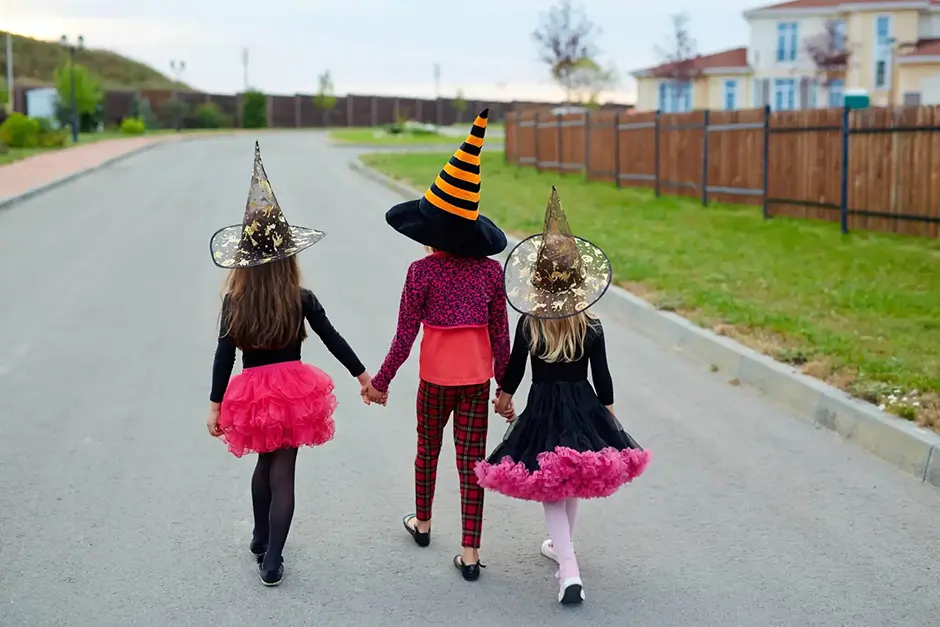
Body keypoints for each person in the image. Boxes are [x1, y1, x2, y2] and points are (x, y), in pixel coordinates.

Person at [474, 186, 652, 605]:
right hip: (583, 407)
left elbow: (516, 370)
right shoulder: (591, 325)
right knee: (569, 478)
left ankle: (568, 567)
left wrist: (504, 397)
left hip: (543, 410)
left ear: (537, 282)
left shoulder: (531, 324)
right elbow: (602, 377)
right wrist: (608, 417)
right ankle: (561, 547)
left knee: (551, 484)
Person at [207, 142, 373, 587]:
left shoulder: (235, 301)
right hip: (294, 388)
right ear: (288, 257)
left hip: (253, 390)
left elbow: (224, 354)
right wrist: (362, 376)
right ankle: (273, 560)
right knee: (284, 472)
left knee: (264, 463)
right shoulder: (301, 298)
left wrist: (215, 404)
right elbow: (332, 337)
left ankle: (260, 537)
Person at [362, 109, 511, 581]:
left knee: (427, 451)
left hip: (435, 382)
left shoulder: (420, 273)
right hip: (476, 383)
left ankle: (423, 524)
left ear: (430, 235)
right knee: (472, 464)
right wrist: (505, 387)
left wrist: (380, 382)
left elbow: (405, 336)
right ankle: (471, 552)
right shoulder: (491, 272)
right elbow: (501, 335)